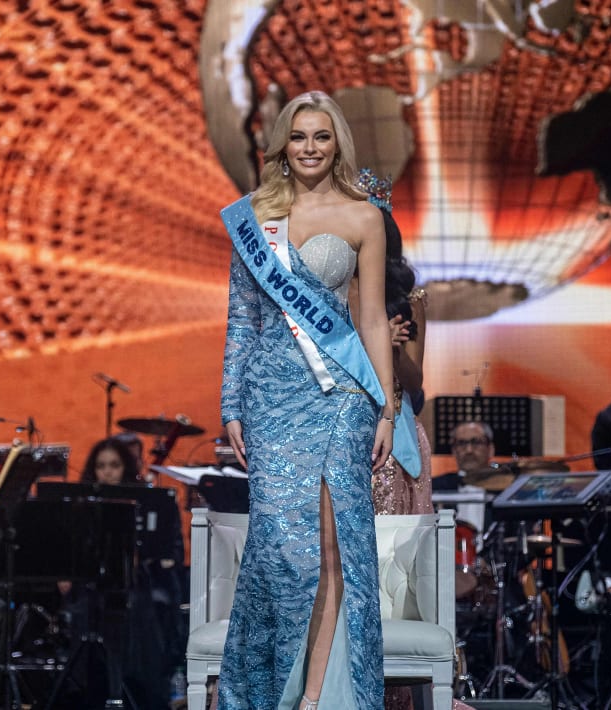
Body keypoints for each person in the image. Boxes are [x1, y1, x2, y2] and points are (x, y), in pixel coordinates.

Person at [219, 90, 395, 709]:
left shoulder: (364, 216)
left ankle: (317, 697)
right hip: (270, 399)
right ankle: (266, 688)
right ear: (282, 145)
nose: (311, 148)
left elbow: (371, 318)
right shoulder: (254, 217)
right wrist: (231, 405)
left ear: (337, 143)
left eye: (322, 136)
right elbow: (242, 317)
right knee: (278, 550)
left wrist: (387, 406)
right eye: (299, 137)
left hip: (341, 394)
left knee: (330, 546)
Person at [361, 172, 432, 518]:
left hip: (396, 435)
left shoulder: (410, 300)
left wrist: (390, 348)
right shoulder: (337, 290)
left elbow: (415, 381)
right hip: (346, 426)